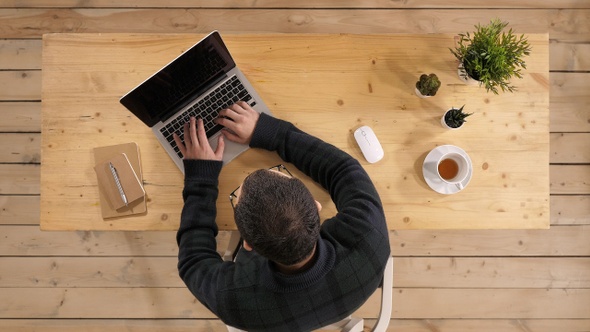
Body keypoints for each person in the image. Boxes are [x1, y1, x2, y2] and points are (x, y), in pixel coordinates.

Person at [174, 101, 390, 331]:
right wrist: (267, 131)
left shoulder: (235, 303)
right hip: (345, 294)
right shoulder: (369, 236)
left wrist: (201, 177)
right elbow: (344, 169)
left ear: (247, 245)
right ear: (316, 207)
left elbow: (192, 261)